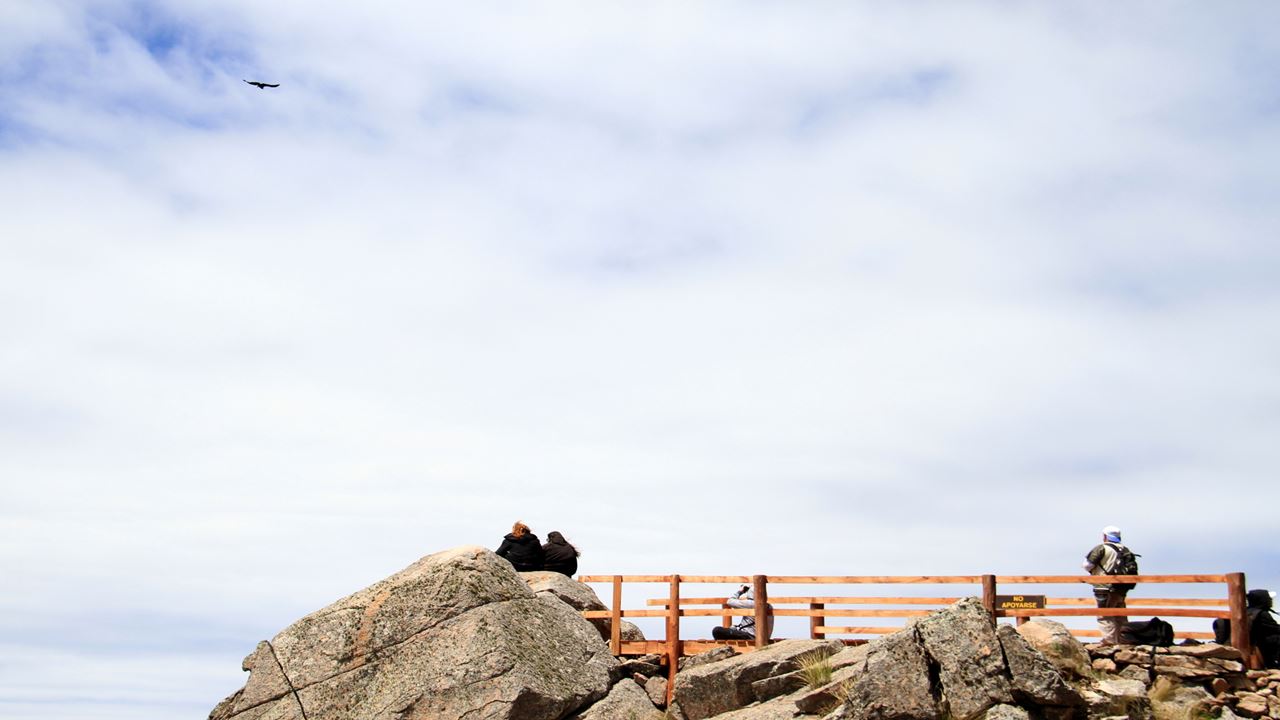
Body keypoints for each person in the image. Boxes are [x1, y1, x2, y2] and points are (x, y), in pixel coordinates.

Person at [1083, 525, 1134, 645]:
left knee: (1105, 615)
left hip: (1103, 586)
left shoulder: (1102, 548)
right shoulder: (1125, 550)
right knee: (1120, 615)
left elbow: (1087, 565)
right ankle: (1124, 642)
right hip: (1121, 587)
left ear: (1105, 536)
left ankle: (1109, 643)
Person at [1213, 589, 1280, 668]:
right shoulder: (1261, 614)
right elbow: (1275, 629)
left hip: (1246, 642)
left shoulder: (1246, 611)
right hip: (1255, 644)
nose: (1271, 600)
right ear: (1263, 600)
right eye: (1269, 598)